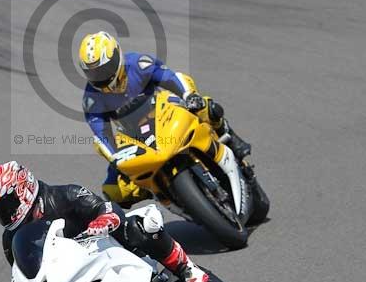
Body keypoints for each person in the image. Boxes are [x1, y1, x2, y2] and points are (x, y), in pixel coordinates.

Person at [0, 160, 210, 282]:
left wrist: (103, 219)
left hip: (108, 247)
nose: (5, 213)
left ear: (24, 188)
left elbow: (105, 207)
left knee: (140, 226)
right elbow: (26, 277)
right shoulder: (10, 239)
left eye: (7, 203)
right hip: (74, 277)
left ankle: (185, 268)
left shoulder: (63, 195)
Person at [79, 30, 253, 203]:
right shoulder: (91, 99)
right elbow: (101, 134)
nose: (100, 77)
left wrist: (188, 95)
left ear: (117, 57)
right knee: (113, 192)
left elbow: (170, 77)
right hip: (133, 136)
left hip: (163, 110)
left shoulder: (138, 64)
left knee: (206, 107)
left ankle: (231, 138)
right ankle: (157, 189)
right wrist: (114, 156)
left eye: (104, 69)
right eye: (93, 73)